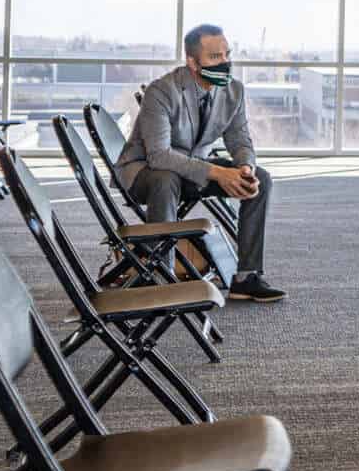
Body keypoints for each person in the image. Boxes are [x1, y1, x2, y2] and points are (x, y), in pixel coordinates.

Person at [115, 23, 284, 302]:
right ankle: (162, 277)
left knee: (260, 180)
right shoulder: (162, 91)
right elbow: (159, 155)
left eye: (227, 55)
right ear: (193, 62)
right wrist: (217, 173)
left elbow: (240, 140)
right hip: (145, 172)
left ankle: (247, 277)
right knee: (165, 177)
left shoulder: (233, 91)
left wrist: (245, 167)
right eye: (215, 57)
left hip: (194, 169)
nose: (225, 63)